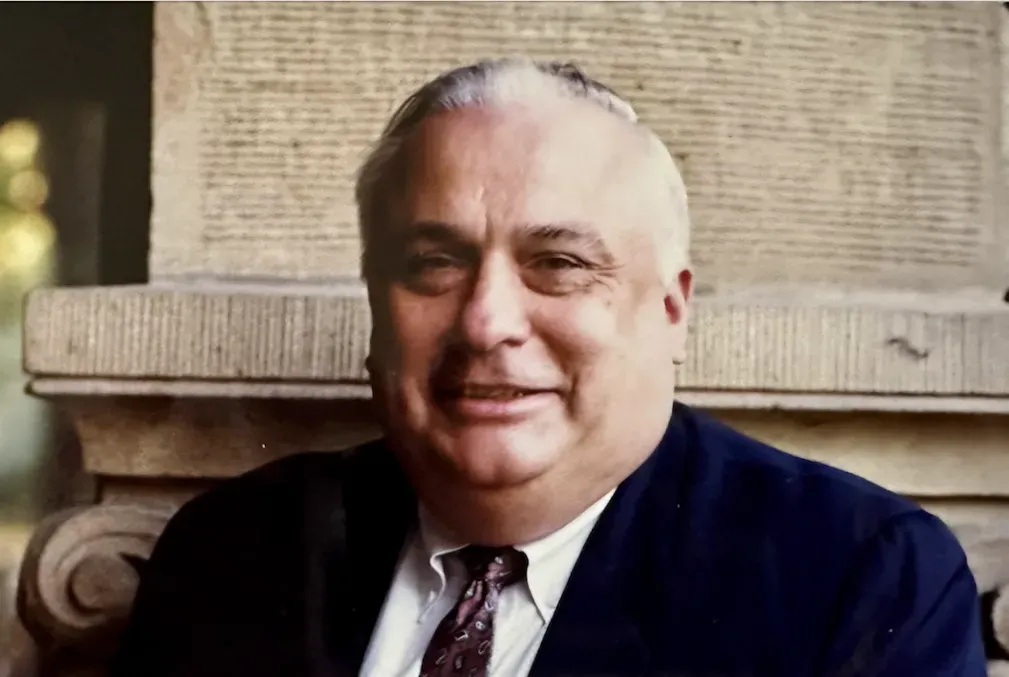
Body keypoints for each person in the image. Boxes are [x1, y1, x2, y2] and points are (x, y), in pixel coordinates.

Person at [109, 58, 985, 677]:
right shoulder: (230, 555)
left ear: (671, 307)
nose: (487, 320)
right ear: (377, 304)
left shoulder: (856, 580)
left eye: (559, 263)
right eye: (432, 263)